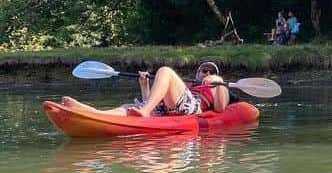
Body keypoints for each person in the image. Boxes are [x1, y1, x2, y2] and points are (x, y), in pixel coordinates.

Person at [61, 62, 231, 117]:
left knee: (165, 70)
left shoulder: (217, 86)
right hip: (171, 106)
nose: (207, 73)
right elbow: (154, 101)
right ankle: (93, 113)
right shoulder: (185, 86)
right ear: (197, 73)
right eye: (204, 70)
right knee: (129, 107)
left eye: (212, 72)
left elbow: (220, 108)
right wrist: (144, 85)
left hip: (194, 107)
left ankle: (144, 112)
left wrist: (219, 82)